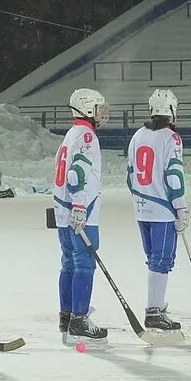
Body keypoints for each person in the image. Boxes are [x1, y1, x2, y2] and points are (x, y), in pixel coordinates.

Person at [126, 89, 187, 333]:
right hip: (162, 209)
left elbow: (130, 175)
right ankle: (153, 311)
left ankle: (157, 305)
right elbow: (174, 175)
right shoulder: (171, 138)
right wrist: (180, 206)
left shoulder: (138, 135)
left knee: (154, 258)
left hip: (141, 209)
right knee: (161, 260)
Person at [53, 88, 109, 345]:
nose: (101, 113)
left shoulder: (72, 133)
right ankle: (79, 320)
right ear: (87, 109)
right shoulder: (87, 136)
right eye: (98, 108)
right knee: (84, 263)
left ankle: (66, 317)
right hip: (80, 211)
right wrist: (79, 206)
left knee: (69, 263)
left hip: (63, 210)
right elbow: (76, 174)